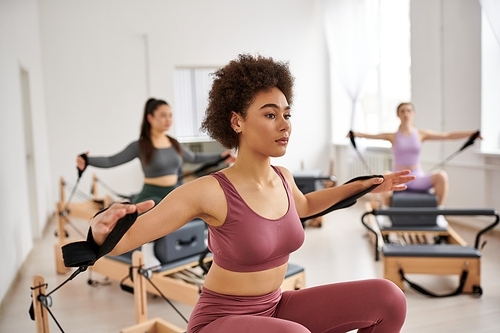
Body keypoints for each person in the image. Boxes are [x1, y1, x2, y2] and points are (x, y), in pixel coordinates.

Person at [89, 54, 414, 333]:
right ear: (237, 121)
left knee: (388, 298)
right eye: (270, 114)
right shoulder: (210, 191)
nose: (284, 125)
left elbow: (306, 205)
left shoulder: (282, 178)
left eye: (287, 114)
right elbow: (134, 235)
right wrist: (99, 232)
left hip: (274, 307)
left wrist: (366, 184)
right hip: (220, 321)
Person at [77, 97, 235, 266]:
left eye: (170, 115)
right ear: (150, 118)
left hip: (174, 191)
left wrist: (220, 157)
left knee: (202, 209)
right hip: (151, 193)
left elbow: (195, 157)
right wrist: (87, 160)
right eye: (163, 115)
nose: (168, 120)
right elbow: (110, 161)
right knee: (154, 209)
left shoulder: (174, 143)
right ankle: (148, 251)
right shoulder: (140, 146)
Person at [350, 102, 481, 208]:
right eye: (402, 111)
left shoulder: (421, 134)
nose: (406, 114)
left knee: (441, 175)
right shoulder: (393, 136)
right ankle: (388, 214)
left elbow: (447, 135)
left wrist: (471, 134)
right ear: (398, 115)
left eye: (409, 111)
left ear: (413, 114)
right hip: (397, 177)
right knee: (384, 176)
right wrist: (353, 134)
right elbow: (369, 135)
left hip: (417, 178)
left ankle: (438, 213)